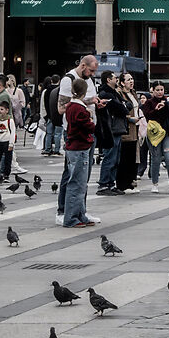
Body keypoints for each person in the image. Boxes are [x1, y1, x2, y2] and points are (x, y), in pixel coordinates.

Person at [59, 76, 97, 227]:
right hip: (79, 147)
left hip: (74, 147)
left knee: (80, 183)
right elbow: (89, 127)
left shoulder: (70, 106)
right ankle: (71, 218)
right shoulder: (80, 109)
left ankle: (80, 214)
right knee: (77, 183)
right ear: (85, 91)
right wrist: (91, 116)